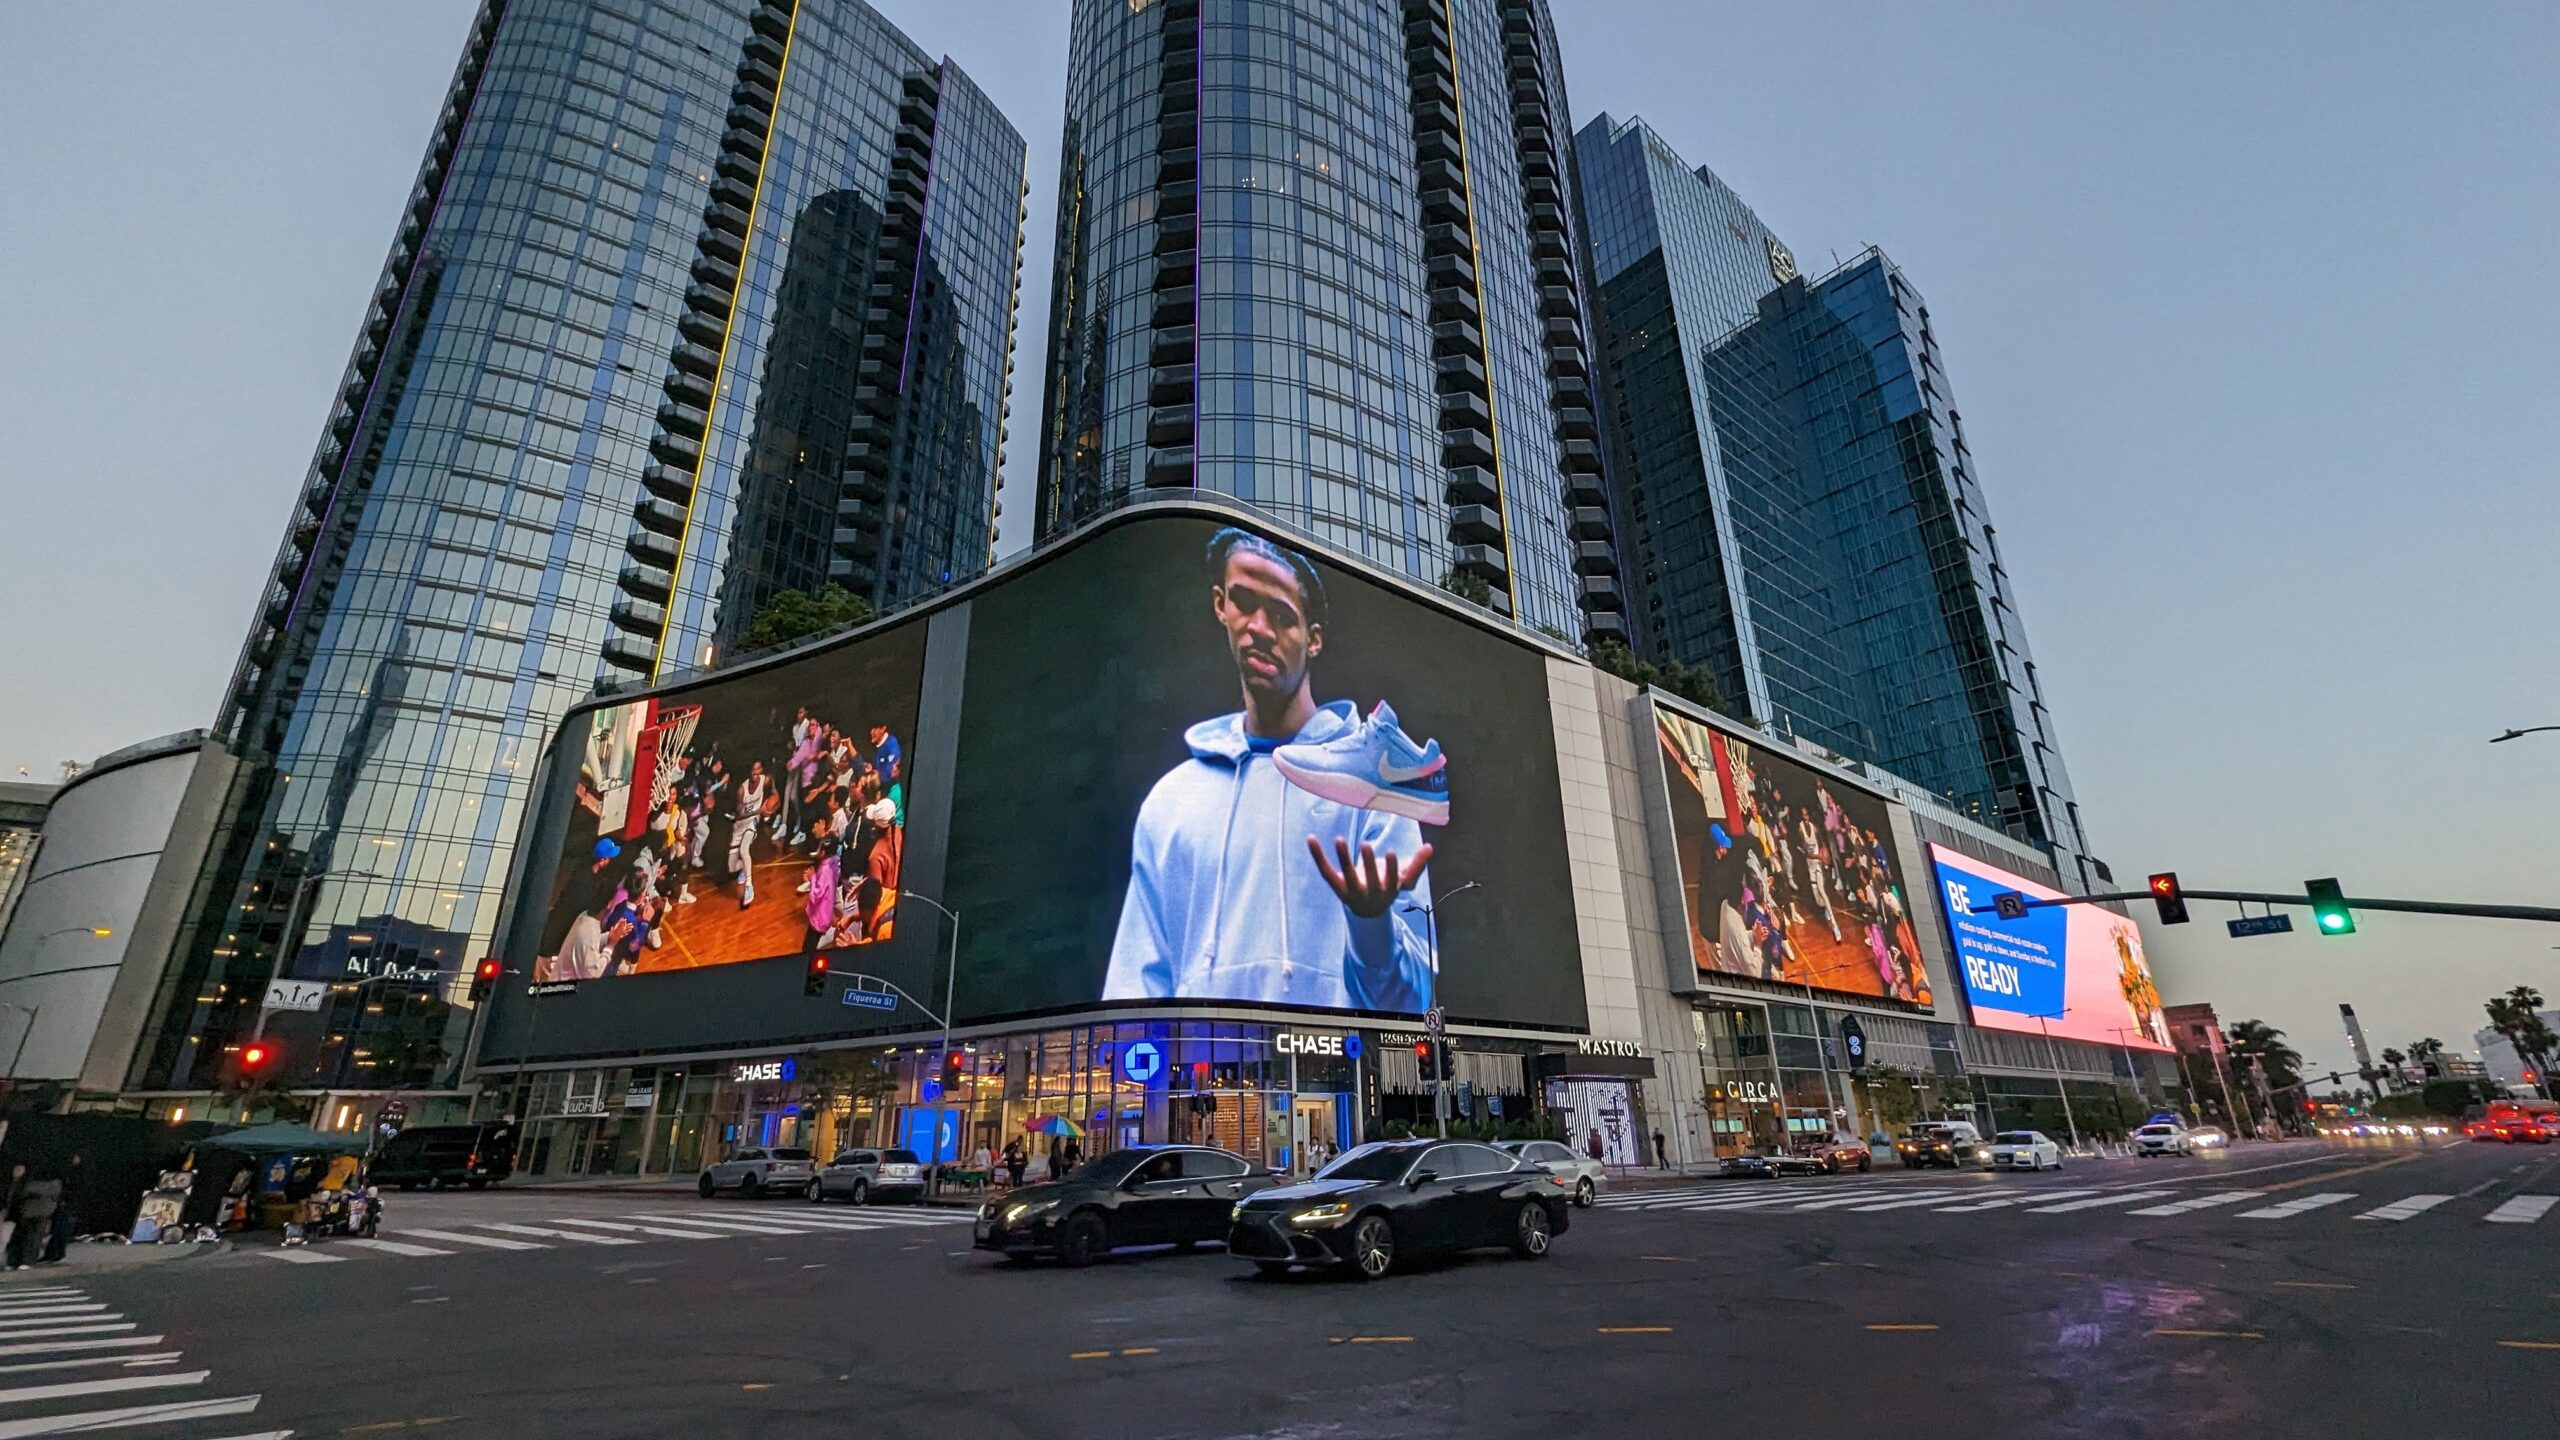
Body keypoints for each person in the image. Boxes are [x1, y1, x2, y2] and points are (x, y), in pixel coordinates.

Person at [1104, 528, 1441, 1010]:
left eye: (1282, 616)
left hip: (1332, 1078)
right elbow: (1133, 990)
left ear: (1314, 639)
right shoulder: (1171, 799)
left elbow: (1412, 1006)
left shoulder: (1369, 788)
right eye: (1244, 601)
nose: (1259, 628)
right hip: (1195, 1079)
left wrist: (1372, 926)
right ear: (1220, 604)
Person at [9, 1170, 59, 1270]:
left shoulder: (28, 1182)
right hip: (36, 1210)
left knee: (28, 1236)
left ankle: (20, 1261)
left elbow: (18, 1194)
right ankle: (22, 1261)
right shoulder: (52, 1182)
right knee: (29, 1236)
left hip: (32, 1211)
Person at [44, 1155, 82, 1262]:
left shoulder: (76, 1174)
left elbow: (74, 1190)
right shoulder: (68, 1171)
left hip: (67, 1205)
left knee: (61, 1230)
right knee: (56, 1230)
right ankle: (52, 1254)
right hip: (62, 1203)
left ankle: (59, 1254)